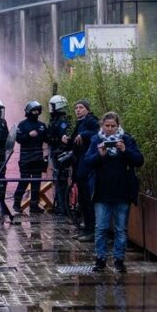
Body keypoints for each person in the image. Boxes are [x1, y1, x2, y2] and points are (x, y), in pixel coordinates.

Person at [82, 112, 144, 273]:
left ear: (118, 126)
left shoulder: (126, 140)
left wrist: (125, 150)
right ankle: (100, 259)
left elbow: (139, 160)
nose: (110, 129)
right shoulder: (96, 140)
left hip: (122, 192)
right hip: (101, 193)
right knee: (101, 228)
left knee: (121, 229)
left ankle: (119, 260)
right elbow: (87, 162)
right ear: (102, 125)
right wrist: (100, 155)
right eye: (107, 126)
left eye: (113, 126)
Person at [72, 100, 100, 241]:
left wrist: (83, 135)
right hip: (79, 165)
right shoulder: (79, 123)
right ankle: (85, 228)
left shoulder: (91, 121)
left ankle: (91, 230)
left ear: (87, 109)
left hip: (87, 166)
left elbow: (97, 133)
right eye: (76, 108)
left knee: (88, 199)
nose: (78, 110)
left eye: (81, 107)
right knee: (82, 200)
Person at [13, 101, 48, 214]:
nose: (36, 113)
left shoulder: (42, 125)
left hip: (38, 158)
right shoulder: (22, 124)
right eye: (34, 111)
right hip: (25, 158)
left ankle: (34, 206)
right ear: (28, 111)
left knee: (36, 183)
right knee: (24, 181)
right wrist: (28, 135)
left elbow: (48, 138)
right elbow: (18, 139)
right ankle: (16, 204)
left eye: (38, 111)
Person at [45, 95, 74, 216]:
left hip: (59, 154)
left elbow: (64, 140)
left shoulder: (62, 121)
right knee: (57, 180)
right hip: (55, 152)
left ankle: (63, 208)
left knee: (61, 180)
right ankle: (59, 206)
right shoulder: (55, 120)